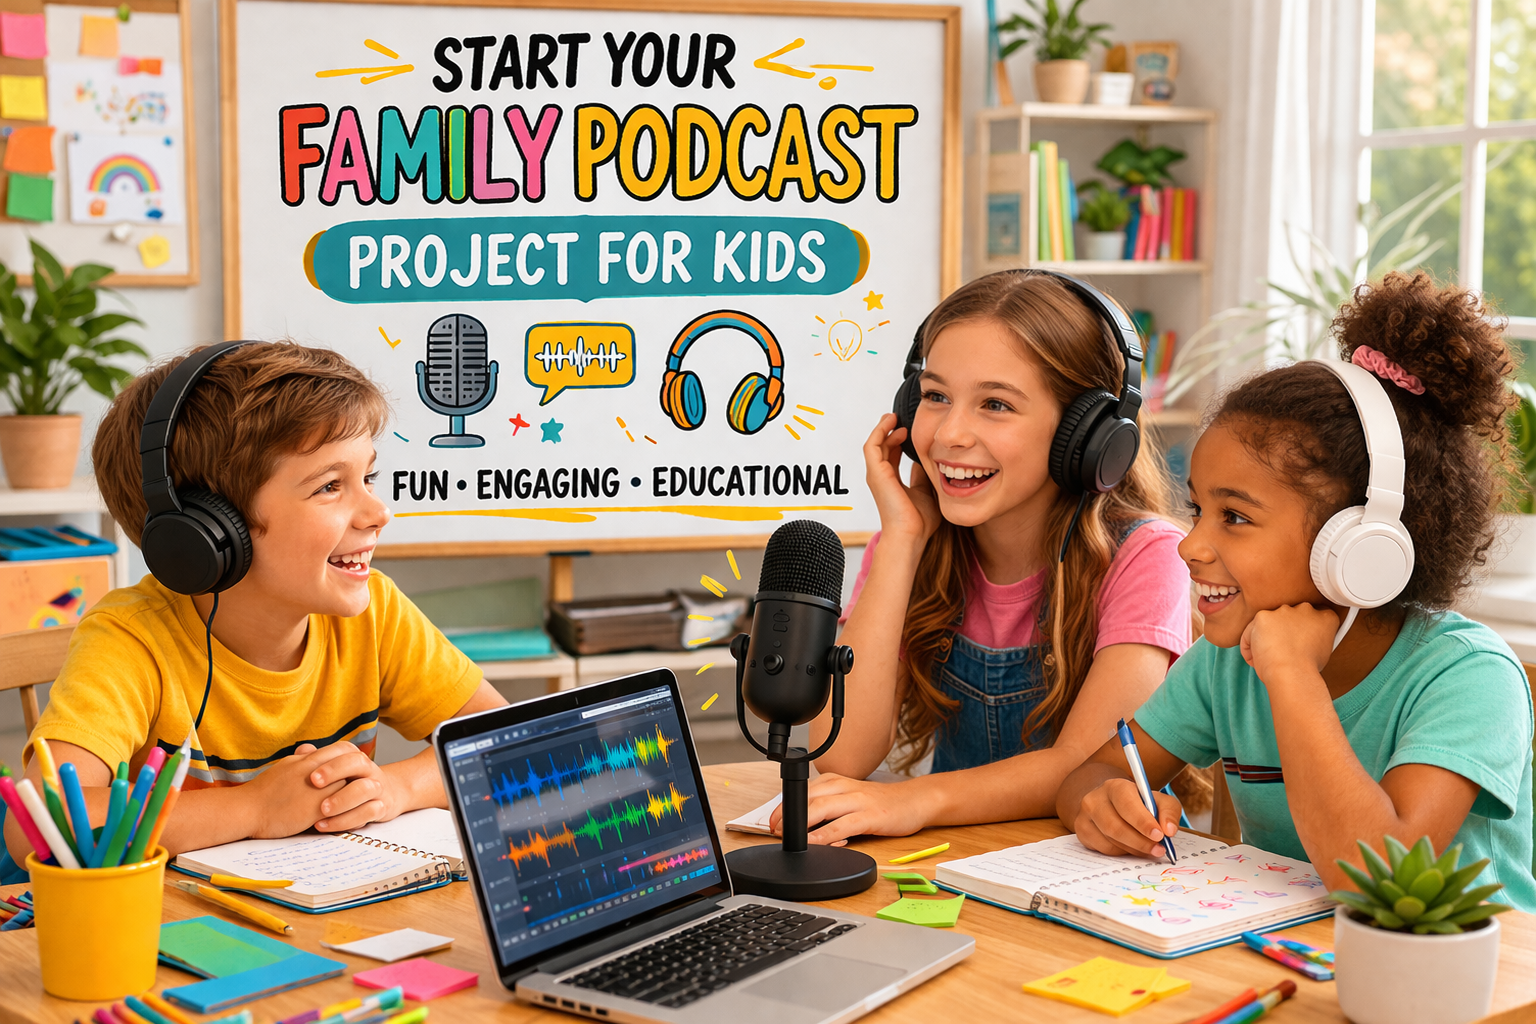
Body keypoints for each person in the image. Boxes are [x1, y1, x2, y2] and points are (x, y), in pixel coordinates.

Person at [1058, 271, 1536, 908]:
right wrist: (1103, 801)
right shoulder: (1226, 664)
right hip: (1303, 959)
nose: (1190, 546)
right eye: (1198, 509)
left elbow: (1382, 881)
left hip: (1471, 992)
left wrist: (1292, 675)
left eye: (1235, 517)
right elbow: (1095, 772)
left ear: (1359, 543)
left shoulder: (1466, 676)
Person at [1, 342, 506, 866]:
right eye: (331, 486)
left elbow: (505, 741)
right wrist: (255, 807)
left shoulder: (375, 612)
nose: (378, 512)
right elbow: (36, 825)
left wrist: (395, 788)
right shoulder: (131, 640)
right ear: (210, 532)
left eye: (368, 477)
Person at [776, 271, 1192, 845]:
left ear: (1088, 435)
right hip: (969, 859)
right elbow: (842, 751)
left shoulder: (1148, 557)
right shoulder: (913, 545)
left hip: (1112, 870)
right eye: (935, 396)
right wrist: (900, 538)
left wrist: (913, 799)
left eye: (995, 404)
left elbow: (1087, 764)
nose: (950, 433)